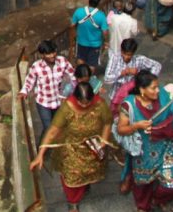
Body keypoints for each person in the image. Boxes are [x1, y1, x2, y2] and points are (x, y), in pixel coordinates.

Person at [29, 83, 113, 212]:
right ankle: (73, 202)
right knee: (72, 174)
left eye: (88, 103)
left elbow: (107, 123)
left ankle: (85, 186)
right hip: (72, 146)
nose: (85, 106)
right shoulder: (67, 108)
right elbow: (52, 131)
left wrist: (103, 142)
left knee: (91, 170)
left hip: (93, 144)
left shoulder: (100, 104)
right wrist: (40, 154)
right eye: (81, 103)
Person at [116, 70, 173, 211]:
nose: (158, 90)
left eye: (158, 86)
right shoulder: (129, 104)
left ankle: (158, 200)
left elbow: (169, 110)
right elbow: (121, 129)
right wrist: (136, 126)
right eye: (153, 88)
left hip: (165, 146)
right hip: (143, 150)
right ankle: (143, 206)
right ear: (142, 89)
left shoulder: (163, 96)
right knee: (142, 183)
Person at [19, 39, 76, 131]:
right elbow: (29, 81)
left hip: (59, 102)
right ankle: (43, 145)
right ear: (42, 55)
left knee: (58, 127)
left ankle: (46, 144)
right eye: (48, 54)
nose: (52, 55)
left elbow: (73, 76)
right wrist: (24, 91)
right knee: (48, 128)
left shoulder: (62, 61)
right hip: (43, 103)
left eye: (53, 52)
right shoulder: (36, 67)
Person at [104, 38, 162, 102]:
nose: (126, 57)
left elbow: (157, 65)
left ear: (133, 53)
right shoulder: (114, 58)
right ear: (121, 51)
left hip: (132, 97)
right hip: (116, 95)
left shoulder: (139, 60)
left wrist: (146, 79)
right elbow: (107, 78)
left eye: (129, 55)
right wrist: (122, 73)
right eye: (124, 53)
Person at [71, 0, 108, 67]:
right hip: (95, 44)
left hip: (81, 42)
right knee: (92, 63)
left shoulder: (78, 11)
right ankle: (89, 77)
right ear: (98, 3)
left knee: (80, 59)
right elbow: (105, 32)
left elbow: (72, 25)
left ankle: (81, 74)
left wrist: (73, 38)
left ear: (89, 0)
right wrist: (106, 42)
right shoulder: (102, 15)